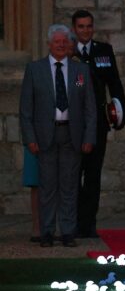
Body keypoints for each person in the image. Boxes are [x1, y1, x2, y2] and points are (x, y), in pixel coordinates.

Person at [19, 24, 96, 247]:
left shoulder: (80, 71)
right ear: (49, 44)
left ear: (69, 44)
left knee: (70, 186)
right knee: (47, 187)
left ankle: (68, 232)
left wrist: (89, 137)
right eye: (57, 42)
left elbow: (90, 107)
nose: (61, 45)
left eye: (64, 42)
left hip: (72, 134)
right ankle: (47, 232)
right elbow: (26, 110)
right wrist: (29, 138)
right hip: (44, 136)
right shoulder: (35, 70)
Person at [72, 9, 125, 239]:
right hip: (74, 125)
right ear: (74, 29)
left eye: (88, 26)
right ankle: (73, 223)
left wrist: (121, 115)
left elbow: (114, 84)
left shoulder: (103, 51)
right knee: (74, 175)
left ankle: (89, 224)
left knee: (93, 175)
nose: (85, 30)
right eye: (81, 27)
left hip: (98, 123)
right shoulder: (68, 51)